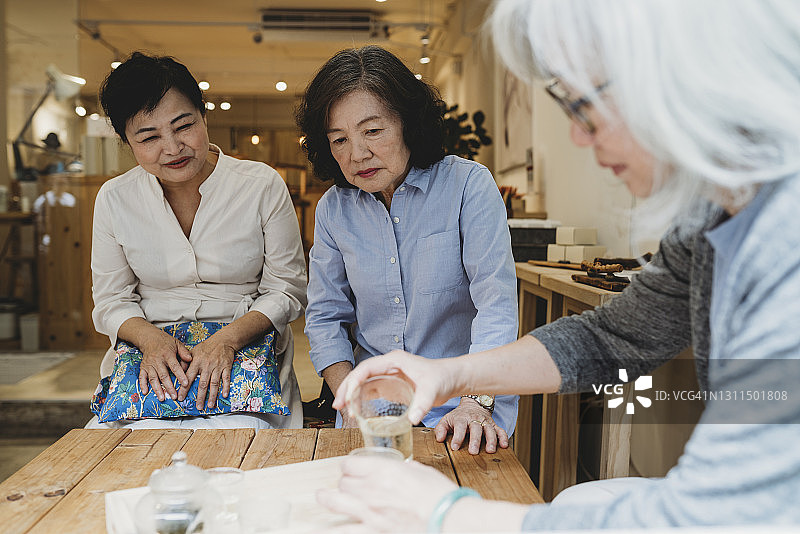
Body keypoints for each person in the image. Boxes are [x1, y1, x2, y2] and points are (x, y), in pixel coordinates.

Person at [318, 0, 800, 530]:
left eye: (587, 103)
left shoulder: (783, 245)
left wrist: (445, 512)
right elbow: (608, 339)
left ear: (676, 75)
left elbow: (717, 514)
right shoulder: (710, 224)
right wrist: (452, 374)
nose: (575, 135)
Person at [296, 45, 519, 454]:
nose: (357, 154)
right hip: (374, 408)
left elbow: (496, 305)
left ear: (408, 124)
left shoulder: (468, 186)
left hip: (464, 403)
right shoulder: (333, 209)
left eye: (373, 131)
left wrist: (475, 403)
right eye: (339, 139)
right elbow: (325, 316)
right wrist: (348, 401)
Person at [86, 52, 307, 430]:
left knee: (240, 437)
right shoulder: (114, 197)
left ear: (204, 116)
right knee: (132, 447)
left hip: (244, 346)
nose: (172, 148)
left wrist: (227, 341)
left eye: (183, 126)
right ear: (127, 141)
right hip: (150, 352)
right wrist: (151, 341)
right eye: (149, 136)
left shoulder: (260, 184)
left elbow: (287, 289)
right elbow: (111, 300)